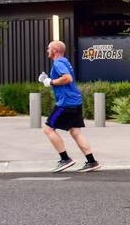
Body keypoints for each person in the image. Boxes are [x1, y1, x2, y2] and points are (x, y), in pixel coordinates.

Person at [41, 40, 100, 172]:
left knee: (48, 129)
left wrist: (50, 82)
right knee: (75, 132)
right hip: (75, 101)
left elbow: (67, 78)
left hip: (65, 103)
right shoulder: (65, 61)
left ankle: (65, 159)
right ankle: (92, 162)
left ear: (55, 49)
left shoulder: (58, 63)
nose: (47, 50)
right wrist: (47, 80)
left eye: (48, 48)